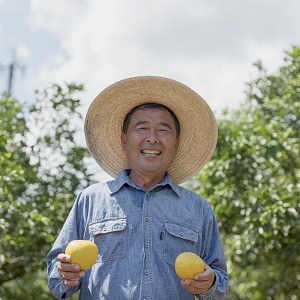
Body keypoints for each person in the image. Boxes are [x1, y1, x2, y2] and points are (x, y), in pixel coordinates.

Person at [47, 76, 229, 299]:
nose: (152, 138)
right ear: (124, 140)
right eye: (142, 128)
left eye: (163, 130)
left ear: (177, 142)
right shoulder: (90, 200)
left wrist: (210, 282)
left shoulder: (198, 209)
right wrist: (64, 273)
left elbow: (219, 286)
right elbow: (57, 280)